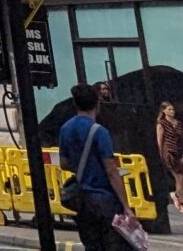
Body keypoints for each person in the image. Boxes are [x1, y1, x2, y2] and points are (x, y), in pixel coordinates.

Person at [57, 81, 126, 251]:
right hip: (104, 198)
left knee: (92, 245)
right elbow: (111, 170)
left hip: (82, 200)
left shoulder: (66, 129)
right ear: (97, 104)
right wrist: (126, 206)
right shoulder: (100, 132)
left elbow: (64, 163)